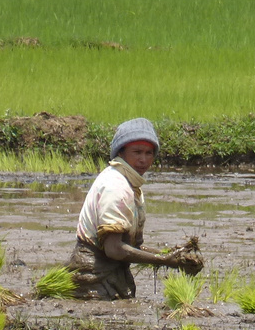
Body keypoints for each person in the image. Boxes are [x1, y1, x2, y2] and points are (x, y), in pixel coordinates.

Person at [67, 118, 203, 299]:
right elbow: (114, 249)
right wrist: (164, 260)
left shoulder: (131, 185)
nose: (143, 159)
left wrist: (174, 257)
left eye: (149, 153)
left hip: (112, 271)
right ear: (121, 153)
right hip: (93, 275)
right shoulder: (115, 186)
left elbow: (132, 247)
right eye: (137, 152)